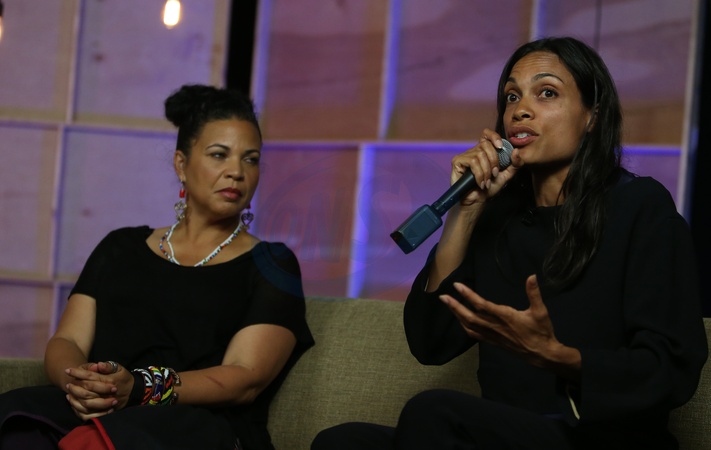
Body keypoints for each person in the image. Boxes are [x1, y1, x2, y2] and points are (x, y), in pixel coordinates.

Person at [311, 36, 707, 450]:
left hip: (599, 436)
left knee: (434, 412)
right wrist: (467, 211)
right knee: (342, 442)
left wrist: (555, 355)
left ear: (593, 116)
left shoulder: (640, 206)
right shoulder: (500, 218)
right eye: (512, 96)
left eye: (547, 93)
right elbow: (430, 342)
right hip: (503, 434)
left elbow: (671, 367)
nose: (520, 110)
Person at [0, 84, 314, 449]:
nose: (236, 172)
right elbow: (67, 340)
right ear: (182, 164)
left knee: (105, 438)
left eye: (251, 159)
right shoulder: (120, 247)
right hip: (105, 409)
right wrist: (83, 384)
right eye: (219, 155)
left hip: (197, 426)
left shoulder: (273, 264)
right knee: (17, 418)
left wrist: (140, 388)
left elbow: (245, 378)